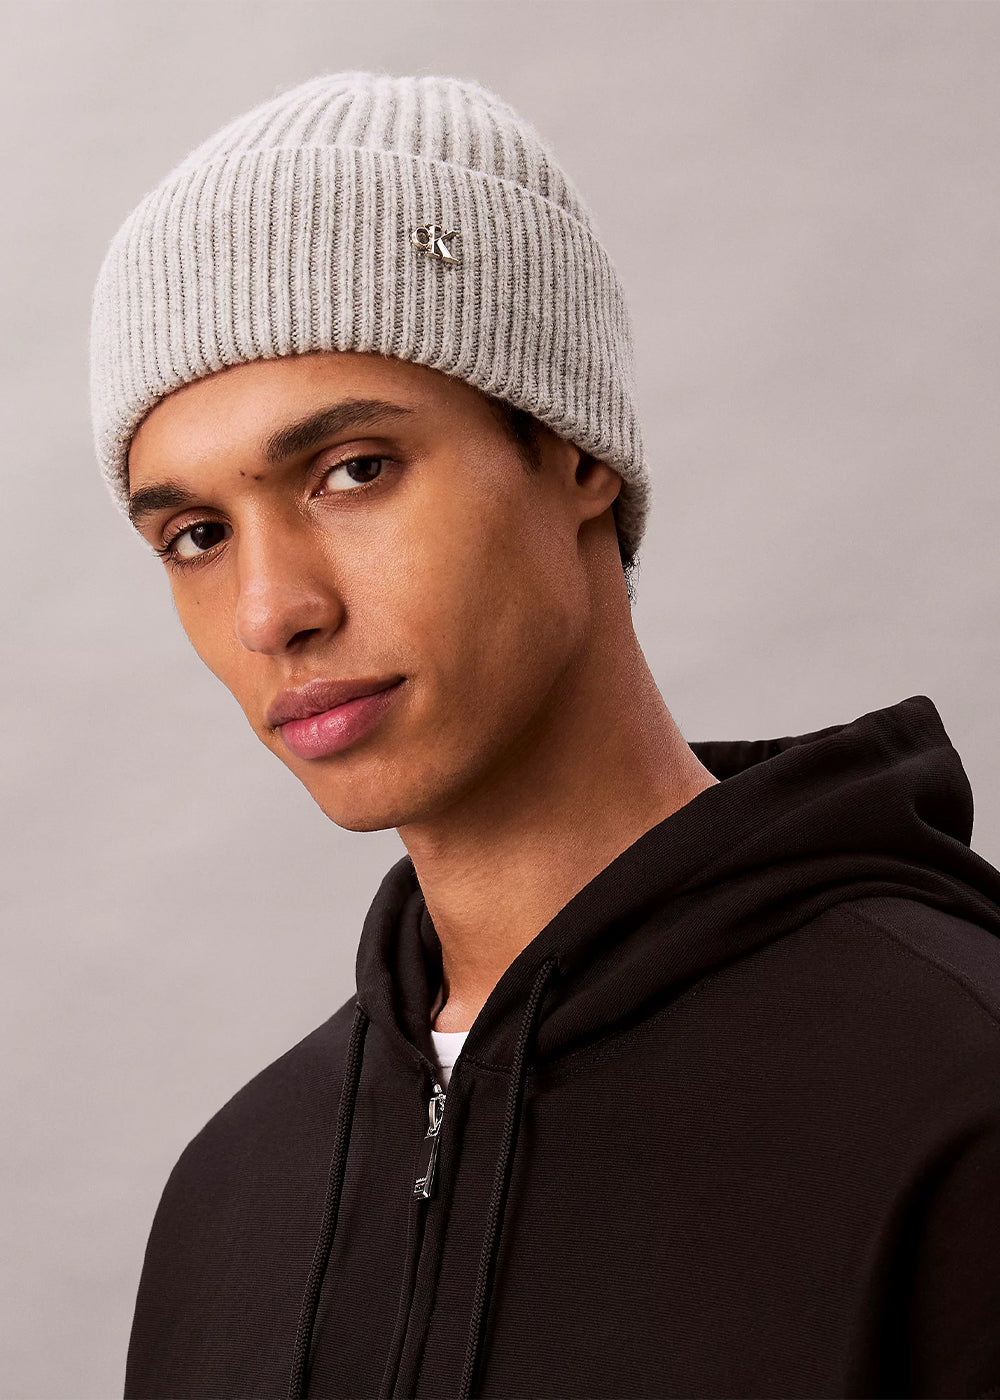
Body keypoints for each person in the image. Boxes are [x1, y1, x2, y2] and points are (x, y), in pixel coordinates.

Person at [89, 73, 1000, 1400]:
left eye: (354, 470)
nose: (273, 608)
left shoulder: (955, 1089)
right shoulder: (231, 1203)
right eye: (196, 536)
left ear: (576, 453)